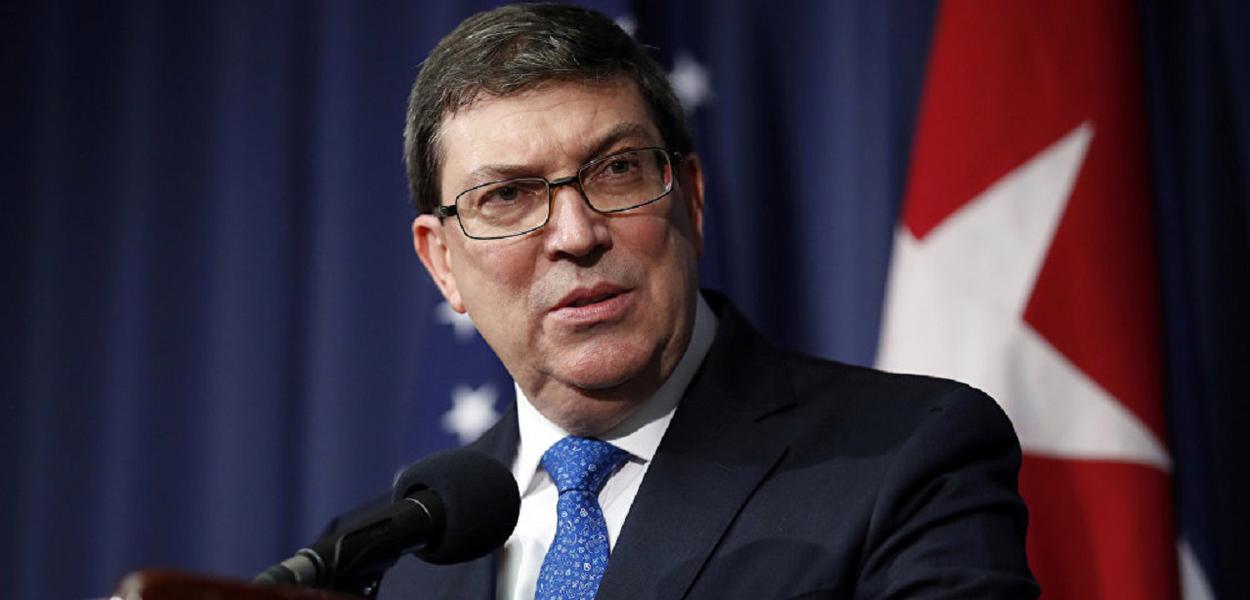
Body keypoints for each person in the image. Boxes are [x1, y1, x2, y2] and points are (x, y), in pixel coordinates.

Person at [352, 3, 1038, 598]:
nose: (576, 235)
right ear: (442, 262)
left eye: (618, 170)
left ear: (693, 198)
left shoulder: (907, 458)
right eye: (507, 195)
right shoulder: (395, 560)